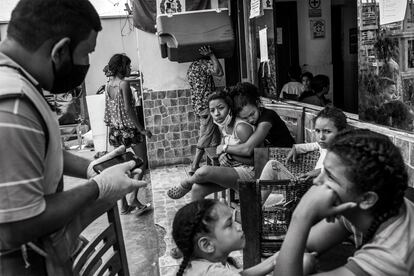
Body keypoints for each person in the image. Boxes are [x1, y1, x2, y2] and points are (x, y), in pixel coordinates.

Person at [0, 1, 146, 274]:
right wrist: (98, 187)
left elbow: (42, 150)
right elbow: (16, 225)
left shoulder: (22, 85)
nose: (88, 64)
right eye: (86, 53)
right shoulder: (12, 106)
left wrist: (91, 167)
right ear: (60, 50)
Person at [274, 129, 414, 276]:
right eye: (323, 171)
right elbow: (306, 244)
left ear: (367, 199)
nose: (317, 181)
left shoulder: (390, 259)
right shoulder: (371, 207)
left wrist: (301, 216)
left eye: (330, 177)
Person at [173, 199, 318, 275]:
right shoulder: (214, 273)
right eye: (229, 224)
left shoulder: (194, 265)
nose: (238, 226)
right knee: (305, 262)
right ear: (207, 245)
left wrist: (274, 261)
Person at [167, 90, 255, 199]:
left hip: (249, 173)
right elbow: (222, 148)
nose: (217, 114)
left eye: (221, 108)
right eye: (212, 110)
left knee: (203, 171)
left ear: (230, 107)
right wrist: (223, 154)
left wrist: (228, 154)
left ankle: (186, 183)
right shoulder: (223, 125)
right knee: (197, 189)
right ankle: (197, 216)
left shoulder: (241, 128)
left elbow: (256, 160)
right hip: (232, 170)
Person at [260, 106, 348, 206]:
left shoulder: (344, 151)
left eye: (327, 131)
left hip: (315, 198)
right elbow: (314, 144)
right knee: (265, 199)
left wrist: (319, 171)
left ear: (341, 132)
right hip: (303, 189)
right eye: (318, 131)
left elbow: (341, 170)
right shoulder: (325, 145)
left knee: (273, 166)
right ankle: (257, 206)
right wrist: (297, 148)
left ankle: (254, 210)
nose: (321, 137)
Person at [104, 54, 152, 215]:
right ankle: (132, 197)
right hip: (129, 130)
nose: (130, 69)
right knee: (142, 162)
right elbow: (128, 109)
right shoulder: (124, 84)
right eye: (128, 66)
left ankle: (124, 207)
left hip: (115, 131)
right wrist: (141, 129)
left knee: (119, 168)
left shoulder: (108, 85)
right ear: (121, 67)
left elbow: (110, 110)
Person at [187, 45, 223, 175]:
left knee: (213, 136)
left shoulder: (191, 67)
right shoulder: (203, 64)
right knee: (206, 135)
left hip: (200, 108)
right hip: (207, 108)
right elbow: (219, 72)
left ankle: (215, 165)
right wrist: (212, 54)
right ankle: (194, 166)